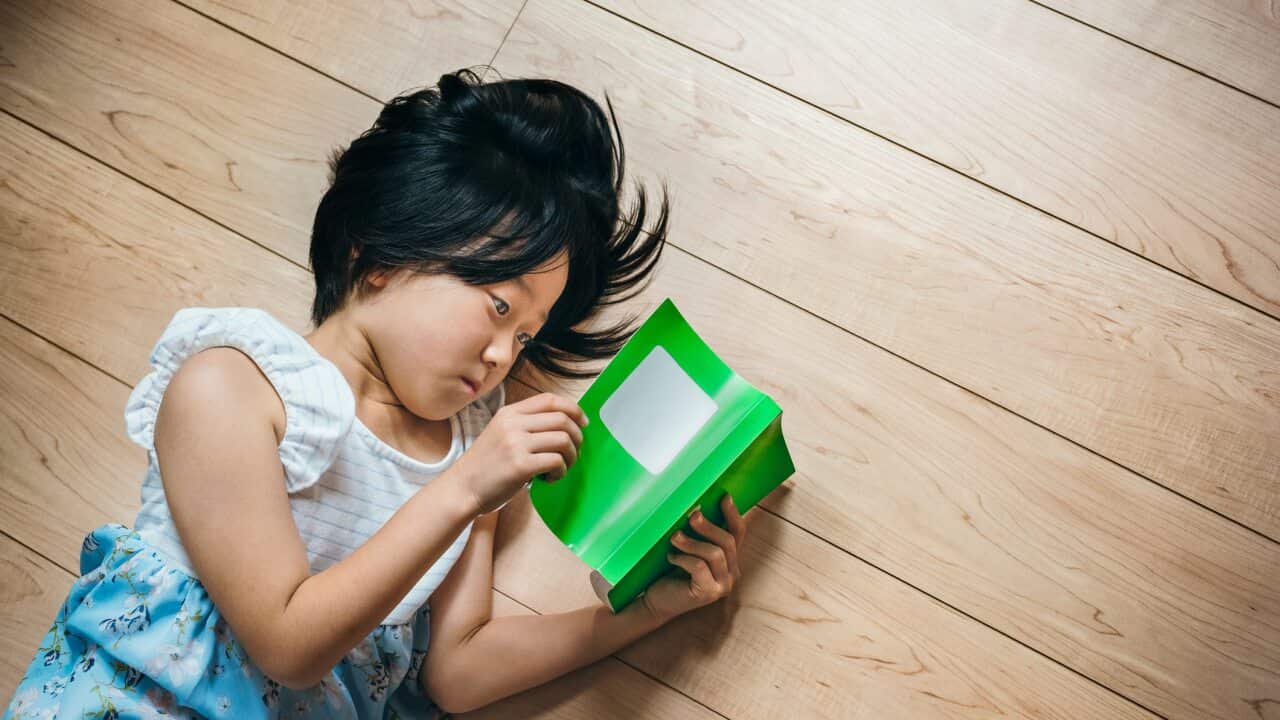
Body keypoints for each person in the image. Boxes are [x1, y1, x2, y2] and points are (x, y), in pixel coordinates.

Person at [4, 67, 754, 719]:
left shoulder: (468, 451)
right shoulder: (232, 383)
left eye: (527, 336)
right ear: (382, 256)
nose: (503, 355)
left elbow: (457, 674)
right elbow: (288, 643)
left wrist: (640, 613)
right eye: (499, 305)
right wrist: (469, 489)